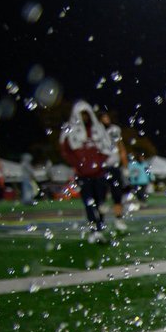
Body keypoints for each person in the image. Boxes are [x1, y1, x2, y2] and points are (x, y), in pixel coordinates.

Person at [59, 100, 112, 242]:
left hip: (99, 173)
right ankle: (94, 229)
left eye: (86, 114)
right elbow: (65, 150)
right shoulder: (71, 131)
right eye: (81, 115)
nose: (84, 118)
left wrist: (101, 162)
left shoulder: (98, 129)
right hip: (83, 175)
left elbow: (107, 146)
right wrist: (78, 164)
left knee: (101, 202)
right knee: (89, 204)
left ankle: (100, 226)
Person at [98, 110, 129, 231]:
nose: (106, 119)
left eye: (107, 117)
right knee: (100, 197)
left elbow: (121, 147)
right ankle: (100, 221)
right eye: (104, 117)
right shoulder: (96, 131)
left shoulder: (114, 130)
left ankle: (118, 219)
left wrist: (125, 166)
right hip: (101, 168)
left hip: (113, 166)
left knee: (117, 194)